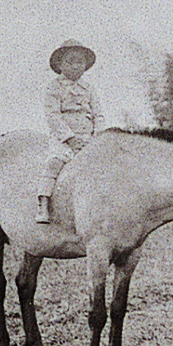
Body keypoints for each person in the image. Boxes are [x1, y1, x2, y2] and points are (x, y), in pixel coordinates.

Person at [35, 40, 105, 223]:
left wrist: (97, 136)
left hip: (89, 138)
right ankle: (43, 203)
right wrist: (70, 139)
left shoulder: (89, 88)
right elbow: (53, 116)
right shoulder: (54, 87)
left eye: (79, 62)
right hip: (64, 138)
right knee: (54, 163)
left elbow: (98, 114)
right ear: (60, 65)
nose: (75, 66)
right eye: (70, 62)